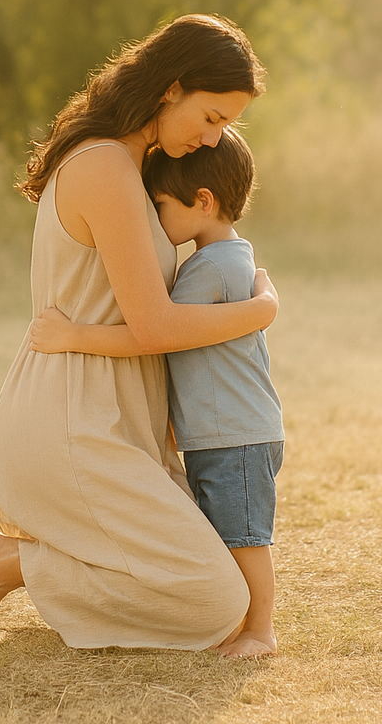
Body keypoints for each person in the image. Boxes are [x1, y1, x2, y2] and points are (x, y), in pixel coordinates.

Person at [0, 14, 278, 652]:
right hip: (76, 419)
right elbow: (154, 324)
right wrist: (260, 312)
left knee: (226, 593)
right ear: (171, 89)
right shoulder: (104, 166)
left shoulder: (134, 166)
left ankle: (12, 562)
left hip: (119, 418)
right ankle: (5, 565)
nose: (217, 139)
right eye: (212, 117)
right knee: (215, 601)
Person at [143, 129, 284, 658]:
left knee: (244, 538)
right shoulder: (224, 260)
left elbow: (161, 327)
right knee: (227, 534)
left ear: (203, 201)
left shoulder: (213, 268)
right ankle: (236, 622)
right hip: (221, 433)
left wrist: (77, 336)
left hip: (236, 437)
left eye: (160, 205)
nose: (156, 219)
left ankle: (261, 630)